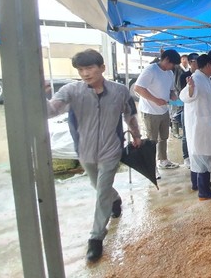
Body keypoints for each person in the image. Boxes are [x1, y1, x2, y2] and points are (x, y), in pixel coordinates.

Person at [46, 49, 142, 262]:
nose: (85, 73)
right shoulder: (72, 91)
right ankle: (115, 199)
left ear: (102, 68)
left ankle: (96, 238)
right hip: (85, 151)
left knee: (101, 192)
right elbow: (50, 111)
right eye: (81, 69)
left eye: (89, 68)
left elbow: (130, 114)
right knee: (98, 187)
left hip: (111, 149)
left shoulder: (119, 91)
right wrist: (39, 95)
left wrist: (137, 136)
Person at [134, 49, 181, 171]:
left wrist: (174, 96)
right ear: (166, 60)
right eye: (172, 64)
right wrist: (155, 100)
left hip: (164, 110)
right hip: (150, 111)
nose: (172, 67)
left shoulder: (170, 73)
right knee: (151, 140)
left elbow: (171, 90)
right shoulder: (151, 70)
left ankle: (163, 160)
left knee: (164, 137)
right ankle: (151, 166)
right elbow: (138, 88)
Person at [179, 54, 211, 200]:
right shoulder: (195, 79)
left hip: (206, 123)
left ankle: (197, 184)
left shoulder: (208, 80)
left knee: (200, 153)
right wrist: (190, 88)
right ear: (207, 65)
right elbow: (186, 96)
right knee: (202, 154)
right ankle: (204, 191)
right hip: (199, 124)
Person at [178, 53, 199, 168]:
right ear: (190, 62)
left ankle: (196, 155)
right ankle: (186, 157)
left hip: (199, 109)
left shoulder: (202, 76)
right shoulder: (184, 76)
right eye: (196, 61)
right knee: (187, 134)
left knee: (197, 133)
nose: (198, 63)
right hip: (187, 109)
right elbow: (183, 93)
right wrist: (190, 87)